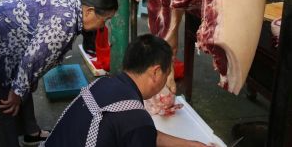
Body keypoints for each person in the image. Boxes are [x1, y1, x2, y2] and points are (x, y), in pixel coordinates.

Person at [0, 0, 119, 147]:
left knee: (24, 84)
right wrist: (16, 93)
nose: (103, 26)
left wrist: (24, 85)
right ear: (89, 11)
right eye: (105, 20)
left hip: (11, 38)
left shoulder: (74, 0)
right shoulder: (63, 24)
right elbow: (31, 60)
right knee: (5, 107)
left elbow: (33, 61)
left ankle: (31, 135)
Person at [45, 34, 213, 147]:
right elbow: (139, 129)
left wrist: (192, 145)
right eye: (167, 73)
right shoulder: (135, 118)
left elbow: (145, 134)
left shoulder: (102, 83)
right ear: (155, 72)